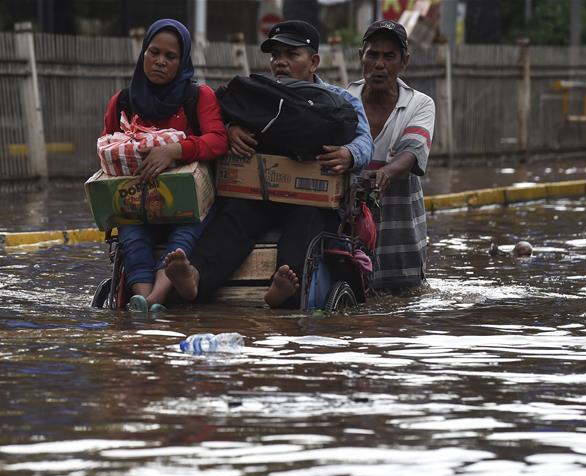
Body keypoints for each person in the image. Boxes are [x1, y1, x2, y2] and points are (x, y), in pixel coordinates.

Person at [165, 20, 373, 309]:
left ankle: (284, 287)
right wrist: (230, 130)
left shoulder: (340, 100)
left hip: (311, 199)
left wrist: (349, 154)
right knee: (234, 218)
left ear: (314, 62)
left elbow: (365, 142)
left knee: (306, 222)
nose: (280, 62)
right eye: (275, 55)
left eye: (291, 54)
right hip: (260, 195)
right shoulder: (257, 94)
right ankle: (195, 277)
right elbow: (215, 122)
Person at [101, 19, 227, 313]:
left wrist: (174, 151)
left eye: (171, 57)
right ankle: (143, 299)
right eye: (154, 52)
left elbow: (218, 140)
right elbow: (107, 147)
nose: (160, 61)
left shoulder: (198, 97)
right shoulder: (122, 102)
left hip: (190, 203)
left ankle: (155, 298)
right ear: (143, 53)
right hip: (137, 201)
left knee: (184, 233)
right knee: (131, 233)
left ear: (182, 62)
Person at [347, 20, 435, 292]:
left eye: (389, 56)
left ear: (404, 62)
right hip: (350, 234)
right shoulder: (344, 100)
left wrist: (386, 172)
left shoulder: (420, 104)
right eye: (372, 54)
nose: (379, 64)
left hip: (401, 238)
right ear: (361, 57)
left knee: (404, 304)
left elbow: (412, 151)